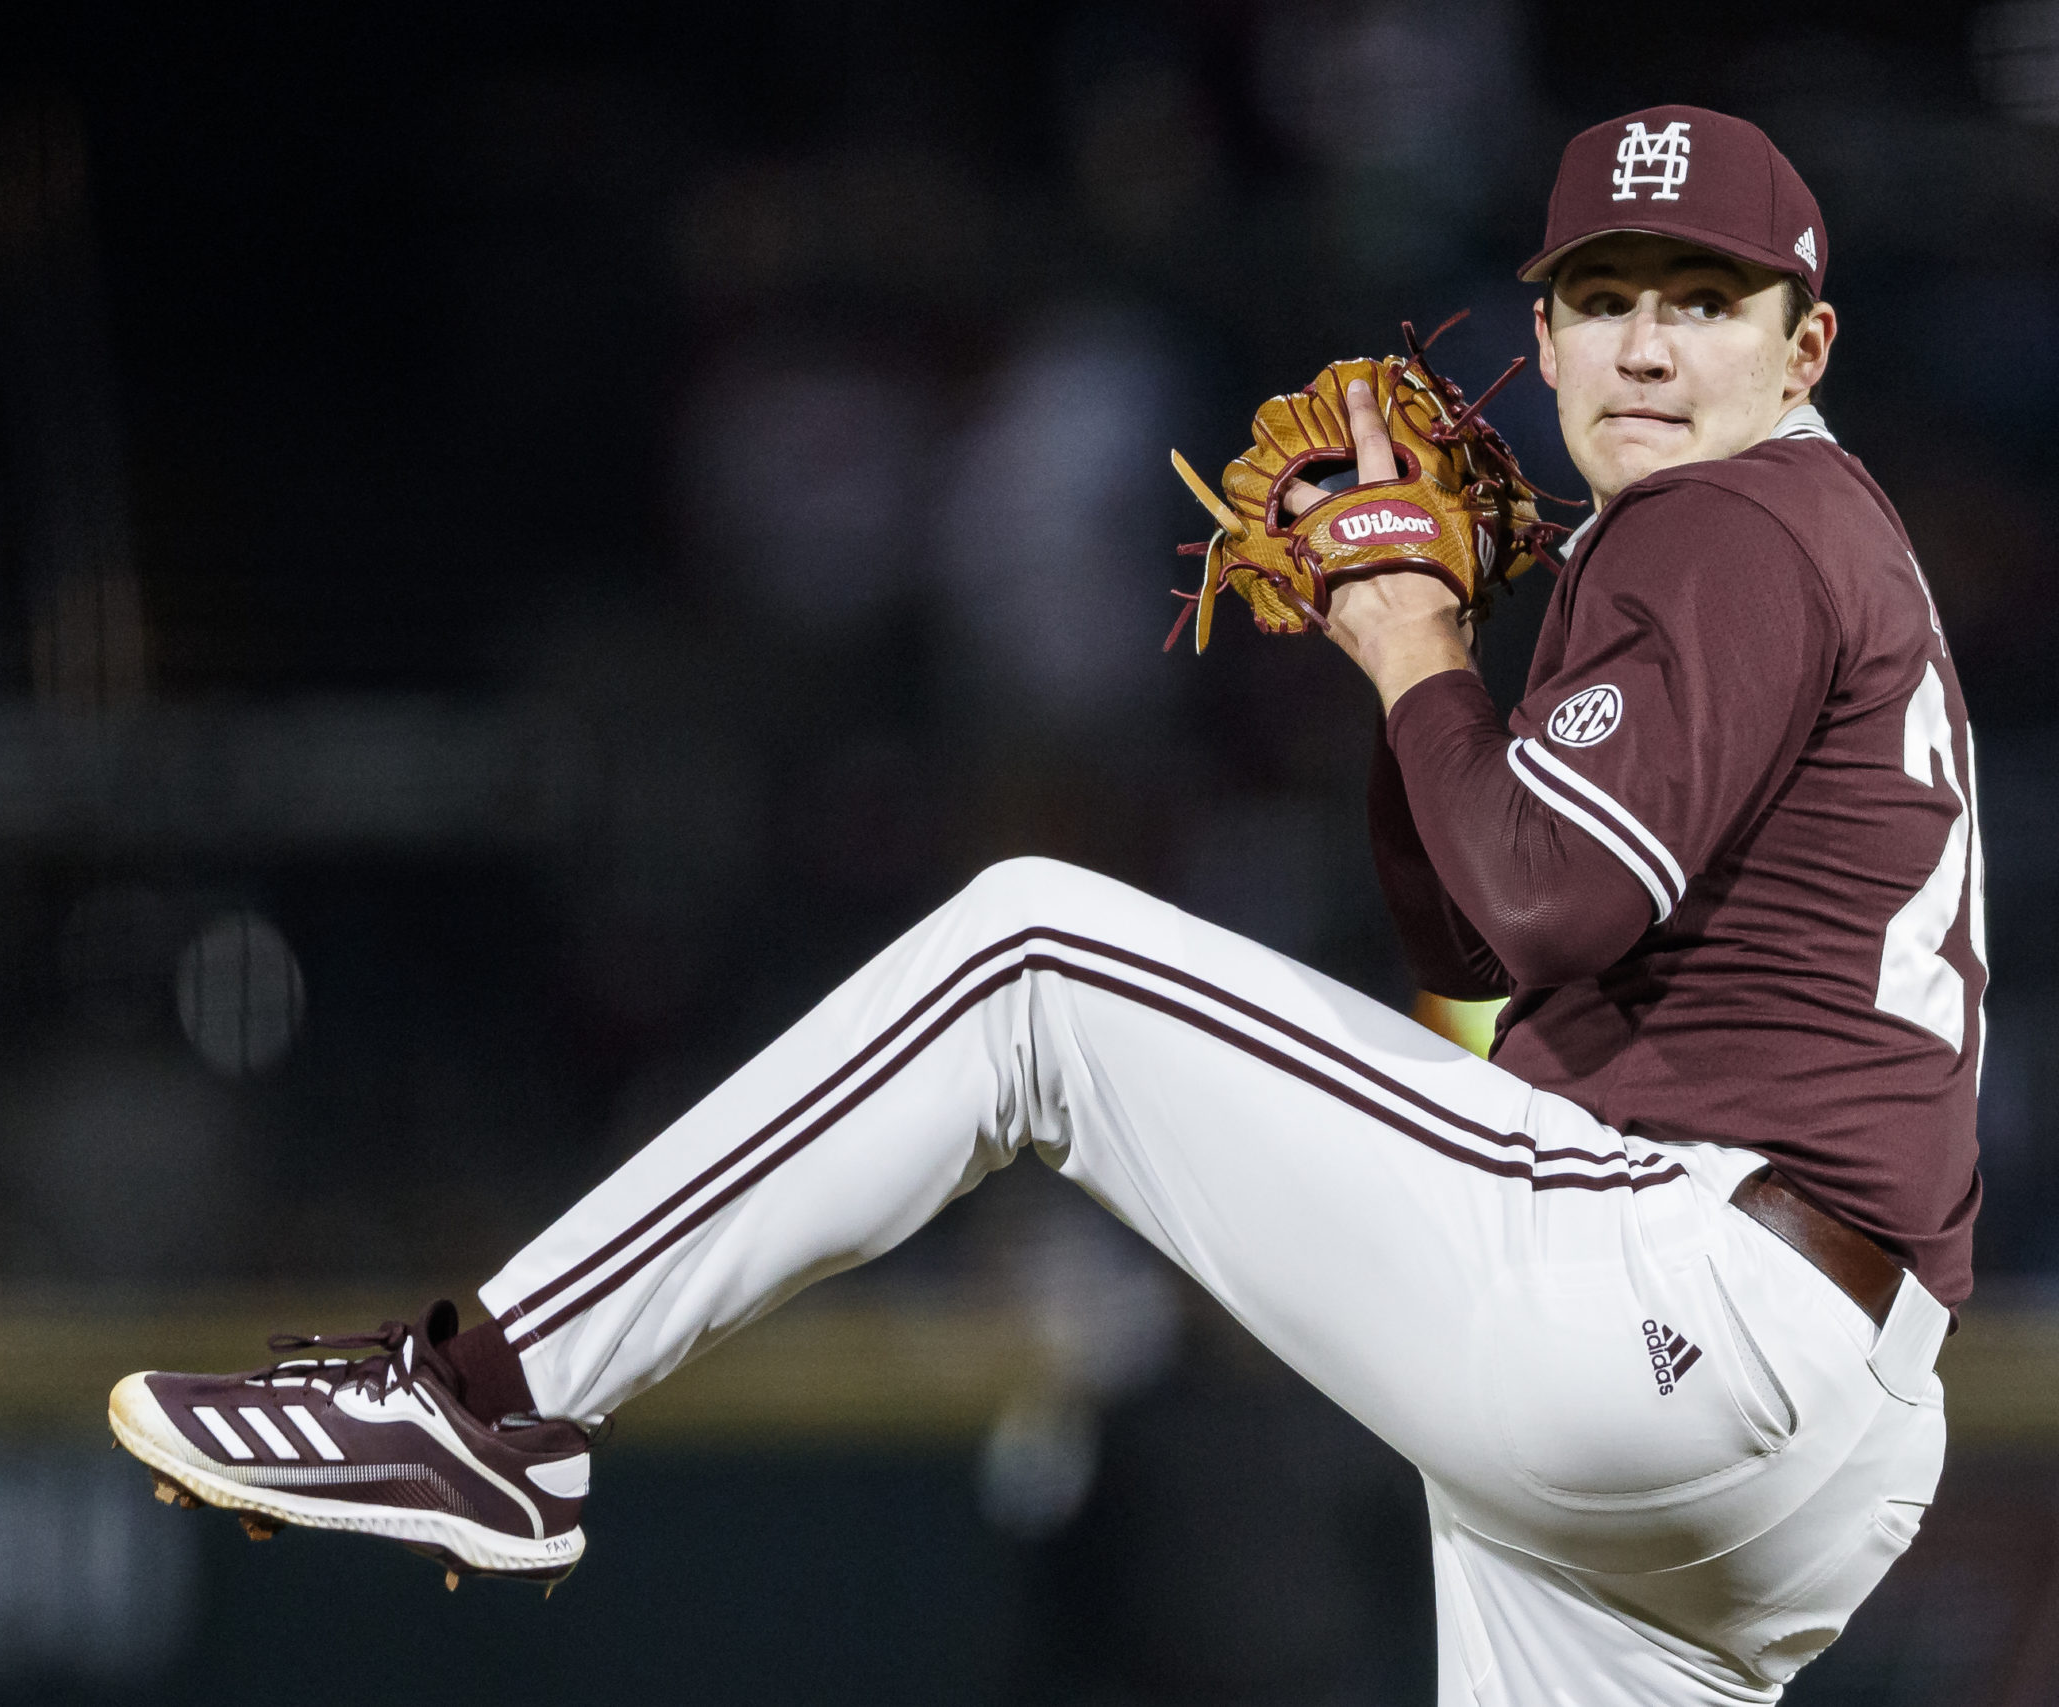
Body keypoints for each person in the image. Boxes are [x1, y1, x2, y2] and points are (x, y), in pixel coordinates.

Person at [109, 105, 1979, 1703]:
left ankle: (483, 1408)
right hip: (1794, 1429)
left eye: (1704, 304)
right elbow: (1479, 967)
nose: (1648, 350)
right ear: (1547, 342)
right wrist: (1409, 667)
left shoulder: (1729, 522)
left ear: (1802, 350)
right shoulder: (1782, 548)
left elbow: (1545, 902)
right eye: (1604, 300)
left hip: (1692, 1294)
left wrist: (1418, 645)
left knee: (1031, 959)